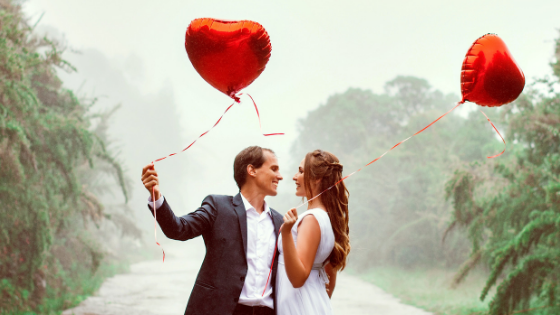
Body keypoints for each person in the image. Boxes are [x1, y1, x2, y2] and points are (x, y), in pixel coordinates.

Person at [141, 146, 284, 315]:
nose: (280, 176)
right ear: (251, 170)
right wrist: (156, 197)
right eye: (273, 169)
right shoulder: (218, 207)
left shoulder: (279, 221)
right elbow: (178, 229)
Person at [276, 149, 351, 315]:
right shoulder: (326, 217)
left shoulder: (311, 220)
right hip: (310, 303)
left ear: (317, 178)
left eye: (301, 171)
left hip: (298, 306)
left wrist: (287, 232)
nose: (295, 177)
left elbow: (298, 278)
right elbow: (329, 276)